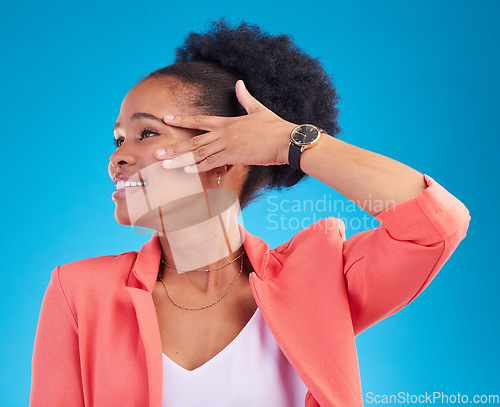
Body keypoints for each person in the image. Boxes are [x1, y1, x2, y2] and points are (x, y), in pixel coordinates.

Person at [29, 20, 471, 407]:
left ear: (225, 155)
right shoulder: (79, 292)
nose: (118, 160)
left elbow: (437, 225)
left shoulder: (319, 281)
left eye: (146, 133)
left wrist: (292, 144)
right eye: (118, 140)